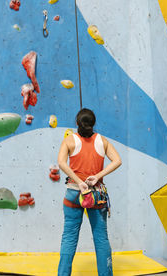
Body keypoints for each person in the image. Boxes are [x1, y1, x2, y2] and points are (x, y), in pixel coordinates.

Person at [57, 108, 122, 276]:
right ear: (93, 124)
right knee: (101, 238)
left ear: (77, 123)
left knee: (69, 237)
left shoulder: (70, 140)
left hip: (73, 192)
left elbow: (61, 163)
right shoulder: (103, 140)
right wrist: (97, 176)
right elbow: (117, 161)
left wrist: (79, 182)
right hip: (96, 195)